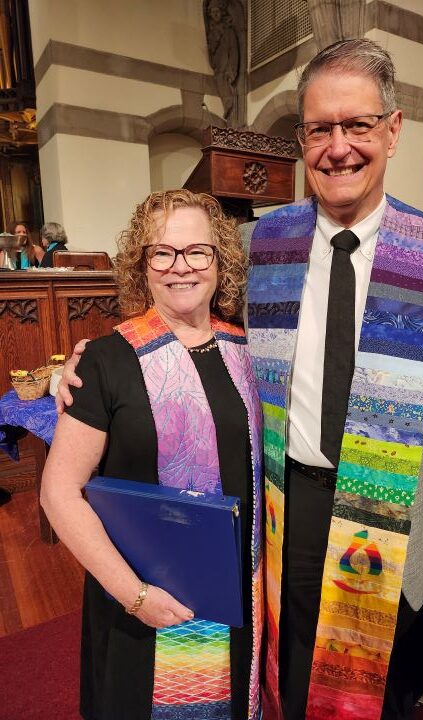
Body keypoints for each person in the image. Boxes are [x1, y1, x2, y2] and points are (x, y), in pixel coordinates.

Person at [58, 39, 423, 720]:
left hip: (400, 509)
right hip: (290, 500)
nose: (339, 146)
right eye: (321, 129)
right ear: (301, 138)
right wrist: (84, 356)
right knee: (287, 667)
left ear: (393, 129)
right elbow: (183, 309)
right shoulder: (265, 244)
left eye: (358, 125)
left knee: (387, 685)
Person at [42, 190, 264, 720]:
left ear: (221, 261)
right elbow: (58, 490)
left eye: (197, 252)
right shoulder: (104, 361)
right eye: (162, 252)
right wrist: (134, 594)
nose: (180, 267)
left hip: (235, 593)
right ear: (142, 266)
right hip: (139, 599)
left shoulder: (247, 352)